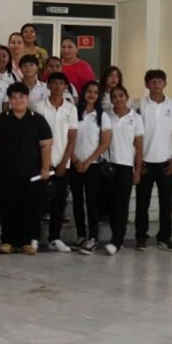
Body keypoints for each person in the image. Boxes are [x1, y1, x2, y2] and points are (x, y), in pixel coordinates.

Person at [0, 83, 53, 255]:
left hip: (32, 173)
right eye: (14, 97)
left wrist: (45, 167)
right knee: (9, 206)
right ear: (9, 100)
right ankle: (8, 240)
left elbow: (46, 145)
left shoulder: (37, 120)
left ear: (27, 98)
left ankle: (28, 241)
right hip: (7, 172)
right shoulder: (0, 120)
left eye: (21, 97)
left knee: (30, 207)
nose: (18, 100)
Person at [135, 69, 172, 252]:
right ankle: (141, 237)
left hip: (165, 162)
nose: (156, 85)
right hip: (145, 162)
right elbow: (134, 135)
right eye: (152, 82)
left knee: (166, 203)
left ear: (165, 83)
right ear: (146, 84)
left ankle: (164, 238)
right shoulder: (138, 105)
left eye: (159, 81)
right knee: (142, 203)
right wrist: (137, 161)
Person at [32, 72, 78, 253]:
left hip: (62, 163)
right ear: (48, 85)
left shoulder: (71, 109)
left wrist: (64, 162)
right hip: (42, 163)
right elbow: (34, 136)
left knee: (59, 203)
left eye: (61, 83)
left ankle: (55, 237)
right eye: (54, 82)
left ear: (66, 86)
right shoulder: (38, 106)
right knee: (37, 203)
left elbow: (72, 138)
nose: (58, 86)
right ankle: (33, 237)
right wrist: (44, 163)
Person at [103, 86, 143, 256]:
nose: (118, 99)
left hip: (125, 166)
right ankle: (113, 237)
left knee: (121, 205)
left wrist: (137, 170)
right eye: (114, 96)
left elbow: (139, 146)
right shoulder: (106, 116)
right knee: (110, 204)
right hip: (108, 166)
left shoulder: (136, 118)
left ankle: (117, 241)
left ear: (127, 97)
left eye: (121, 95)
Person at [73, 81, 111, 255]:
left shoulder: (103, 116)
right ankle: (81, 235)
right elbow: (68, 138)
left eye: (96, 92)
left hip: (93, 166)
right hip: (74, 164)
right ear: (84, 93)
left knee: (92, 202)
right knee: (77, 202)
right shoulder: (74, 112)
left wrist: (88, 162)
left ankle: (93, 238)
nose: (92, 94)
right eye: (89, 91)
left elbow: (105, 143)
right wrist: (75, 160)